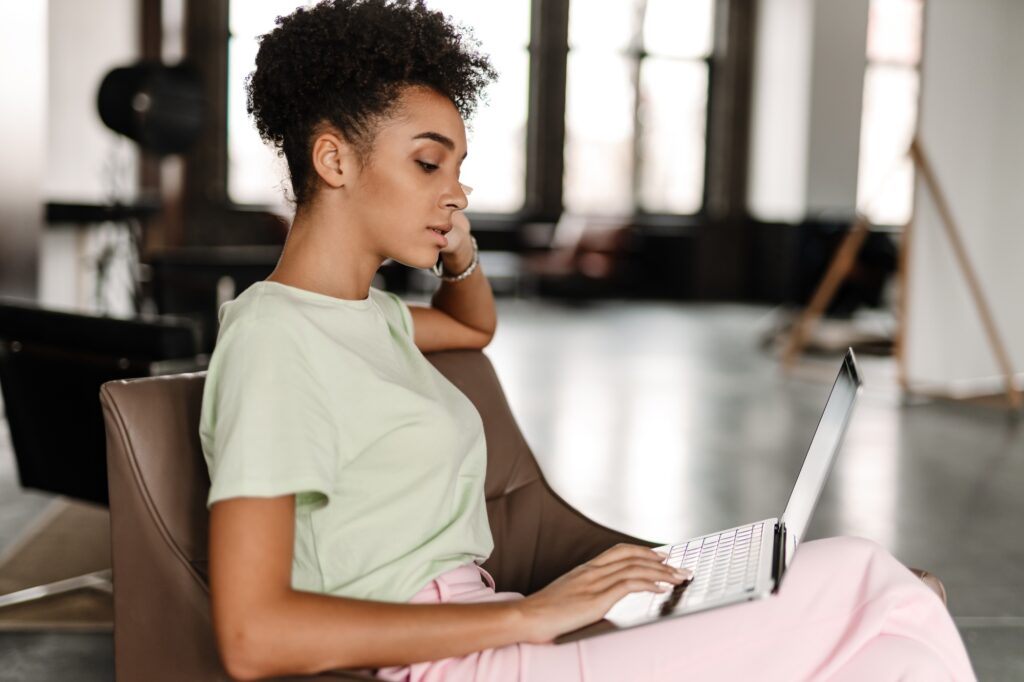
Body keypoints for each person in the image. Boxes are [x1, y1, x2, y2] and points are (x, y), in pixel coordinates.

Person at [200, 1, 977, 680]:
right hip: (455, 659)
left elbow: (474, 327)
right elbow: (252, 635)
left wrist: (457, 248)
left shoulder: (366, 318)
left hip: (500, 632)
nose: (457, 189)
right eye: (429, 161)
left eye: (460, 169)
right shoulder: (275, 340)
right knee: (865, 578)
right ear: (333, 157)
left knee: (893, 652)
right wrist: (528, 617)